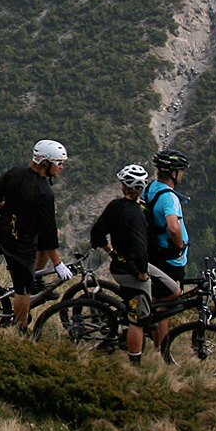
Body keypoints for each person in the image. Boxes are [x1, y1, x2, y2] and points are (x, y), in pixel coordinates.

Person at [0, 139, 70, 329]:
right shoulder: (44, 192)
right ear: (45, 163)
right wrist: (58, 263)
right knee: (22, 289)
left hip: (6, 231)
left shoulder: (15, 173)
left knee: (47, 239)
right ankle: (20, 328)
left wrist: (4, 209)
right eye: (59, 163)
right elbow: (48, 236)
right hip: (19, 244)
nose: (62, 167)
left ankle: (36, 276)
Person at [89, 163, 154, 364]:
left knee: (167, 289)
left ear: (124, 187)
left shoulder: (115, 206)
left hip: (118, 265)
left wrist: (111, 252)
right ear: (140, 188)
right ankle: (134, 363)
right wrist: (142, 272)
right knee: (138, 320)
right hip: (133, 271)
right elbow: (141, 249)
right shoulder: (138, 213)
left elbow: (96, 233)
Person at [143, 148, 190, 345]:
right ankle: (161, 347)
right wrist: (179, 245)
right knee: (167, 304)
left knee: (159, 300)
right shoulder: (169, 197)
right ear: (173, 173)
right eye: (181, 171)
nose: (183, 175)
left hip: (155, 253)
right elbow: (173, 225)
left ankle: (153, 337)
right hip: (170, 258)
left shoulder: (151, 187)